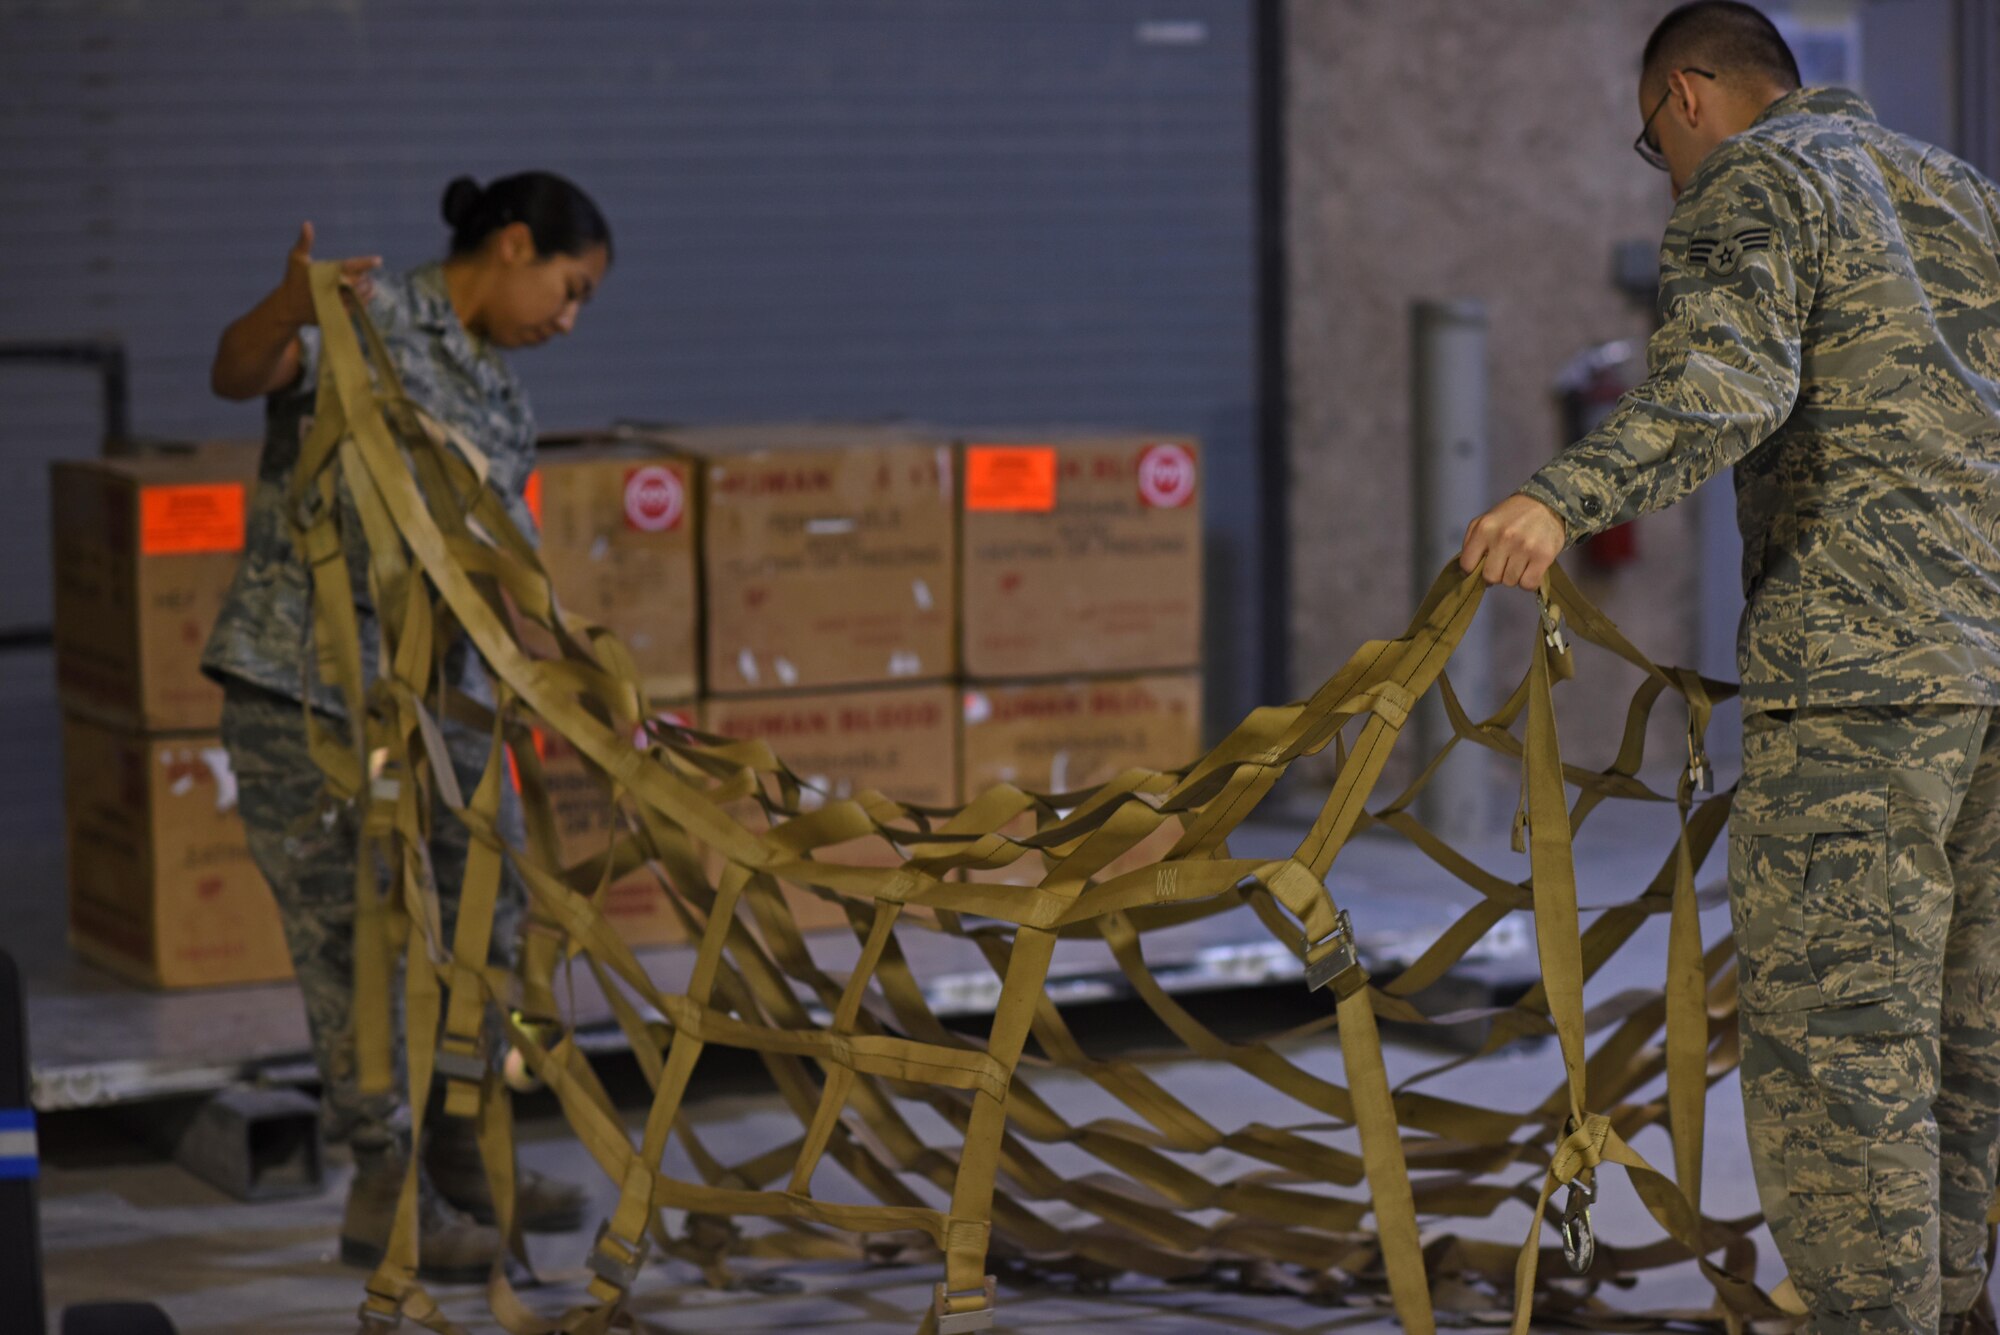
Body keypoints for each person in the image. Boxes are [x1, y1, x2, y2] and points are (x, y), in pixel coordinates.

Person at [1459, 4, 2000, 1332]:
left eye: (1658, 145)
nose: (1672, 170)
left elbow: (1726, 384)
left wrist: (1559, 497)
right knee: (1957, 1039)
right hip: (1986, 673)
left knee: (1841, 1054)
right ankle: (1951, 1305)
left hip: (1859, 675)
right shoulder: (1959, 191)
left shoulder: (1761, 178)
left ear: (1688, 95)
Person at [202, 172, 611, 1282]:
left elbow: (495, 570)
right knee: (359, 948)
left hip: (446, 707)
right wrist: (287, 305)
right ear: (515, 245)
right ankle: (387, 1190)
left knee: (484, 924)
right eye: (567, 291)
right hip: (313, 693)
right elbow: (237, 376)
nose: (566, 322)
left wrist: (580, 683)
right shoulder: (362, 319)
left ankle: (464, 1156)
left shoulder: (505, 401)